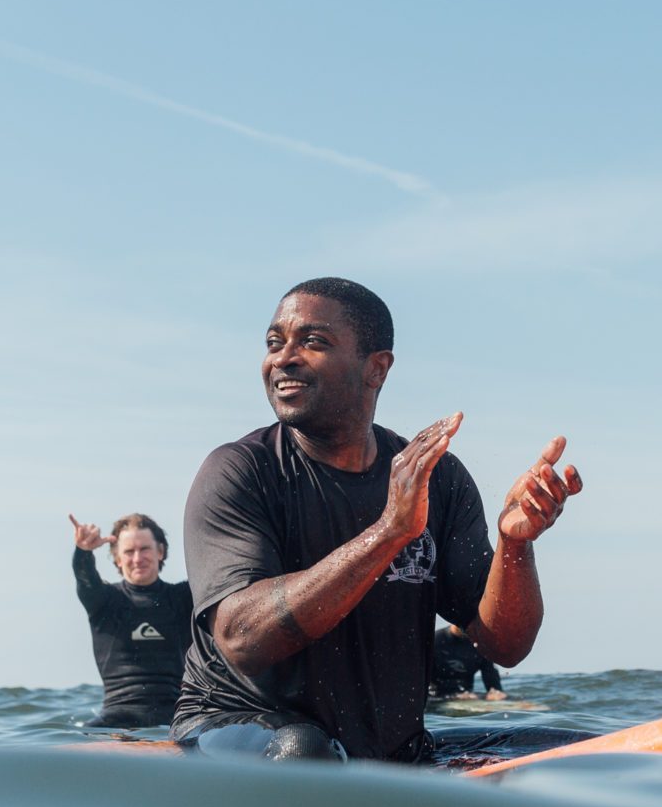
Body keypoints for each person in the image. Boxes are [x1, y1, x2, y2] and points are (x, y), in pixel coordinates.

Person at [171, 278, 583, 762]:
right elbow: (243, 640)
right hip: (232, 726)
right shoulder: (240, 471)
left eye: (313, 341)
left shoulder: (437, 479)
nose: (283, 358)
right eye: (274, 342)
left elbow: (506, 645)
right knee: (305, 750)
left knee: (569, 749)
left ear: (377, 368)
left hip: (381, 746)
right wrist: (390, 532)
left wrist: (515, 544)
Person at [70, 511, 195, 728]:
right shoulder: (104, 602)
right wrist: (83, 552)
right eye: (129, 551)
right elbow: (85, 578)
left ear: (161, 552)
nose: (137, 558)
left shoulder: (184, 598)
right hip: (116, 718)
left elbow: (216, 579)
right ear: (117, 559)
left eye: (145, 548)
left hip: (176, 717)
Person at [430, 620, 504, 699]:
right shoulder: (435, 641)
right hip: (436, 699)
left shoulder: (480, 645)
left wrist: (495, 694)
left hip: (469, 698)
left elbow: (493, 684)